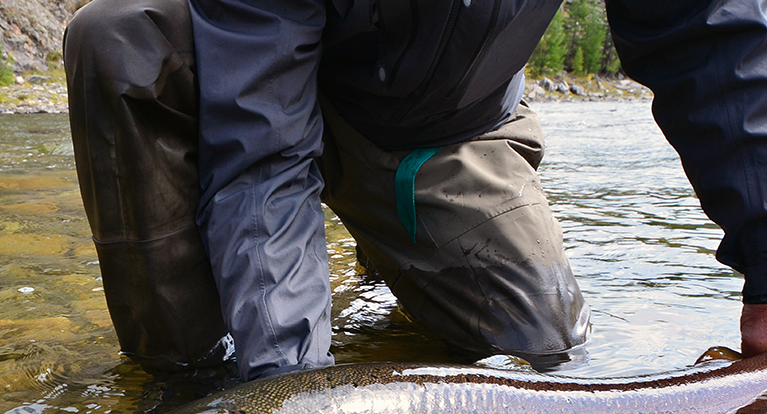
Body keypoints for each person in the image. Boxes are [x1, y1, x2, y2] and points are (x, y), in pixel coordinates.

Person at [64, 0, 767, 381]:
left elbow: (713, 43)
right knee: (121, 38)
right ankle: (183, 379)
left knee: (548, 366)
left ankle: (386, 266)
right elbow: (261, 162)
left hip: (447, 134)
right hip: (251, 96)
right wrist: (284, 402)